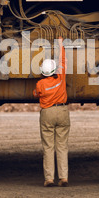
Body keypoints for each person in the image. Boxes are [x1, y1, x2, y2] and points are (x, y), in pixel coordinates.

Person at [33, 37, 70, 187]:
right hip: (62, 111)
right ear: (54, 70)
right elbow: (63, 61)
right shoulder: (60, 78)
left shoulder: (40, 84)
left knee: (48, 146)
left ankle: (49, 178)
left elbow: (36, 94)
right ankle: (64, 178)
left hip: (47, 113)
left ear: (42, 72)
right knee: (62, 146)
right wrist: (60, 44)